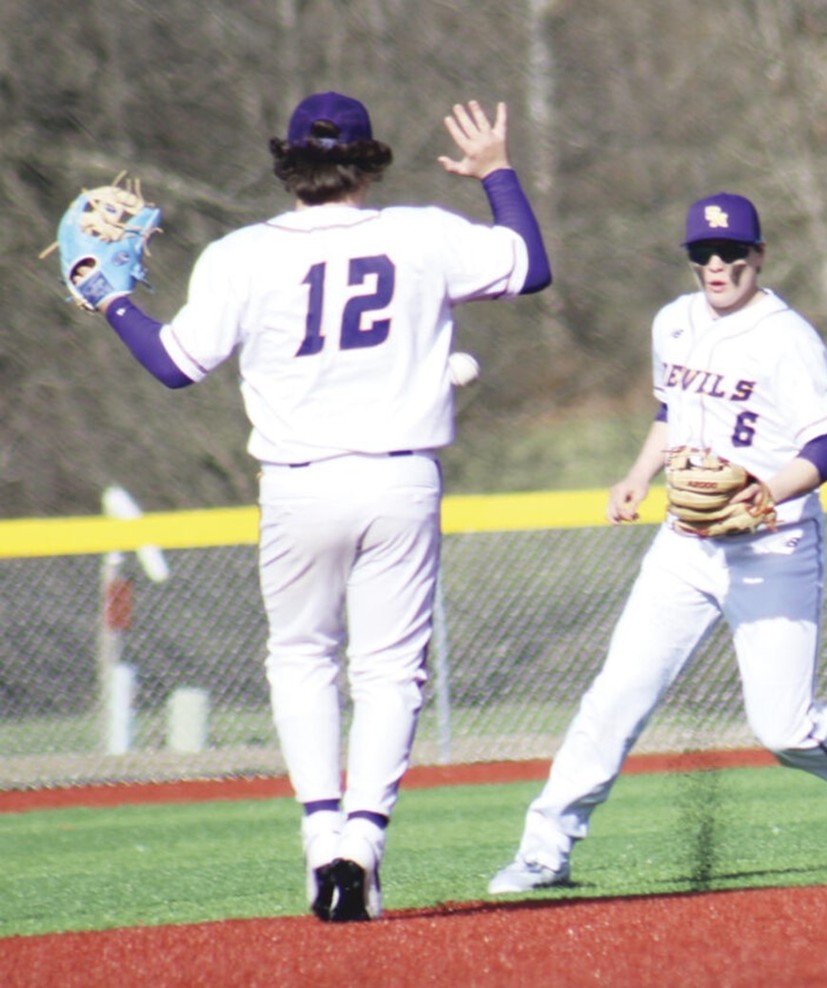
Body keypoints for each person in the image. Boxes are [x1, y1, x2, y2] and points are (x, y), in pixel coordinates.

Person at [92, 92, 551, 921]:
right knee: (388, 673)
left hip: (298, 486)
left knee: (302, 659)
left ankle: (319, 841)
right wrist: (496, 173)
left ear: (288, 164)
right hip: (399, 481)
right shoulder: (420, 233)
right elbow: (529, 264)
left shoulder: (239, 255)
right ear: (369, 161)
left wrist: (112, 301)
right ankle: (363, 844)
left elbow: (172, 365)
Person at [488, 191, 827, 895]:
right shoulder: (674, 323)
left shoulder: (788, 338)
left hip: (773, 547)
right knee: (617, 694)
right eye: (702, 255)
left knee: (782, 728)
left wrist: (768, 493)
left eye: (731, 253)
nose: (716, 266)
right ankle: (545, 850)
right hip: (684, 546)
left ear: (759, 254)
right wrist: (635, 474)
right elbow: (671, 411)